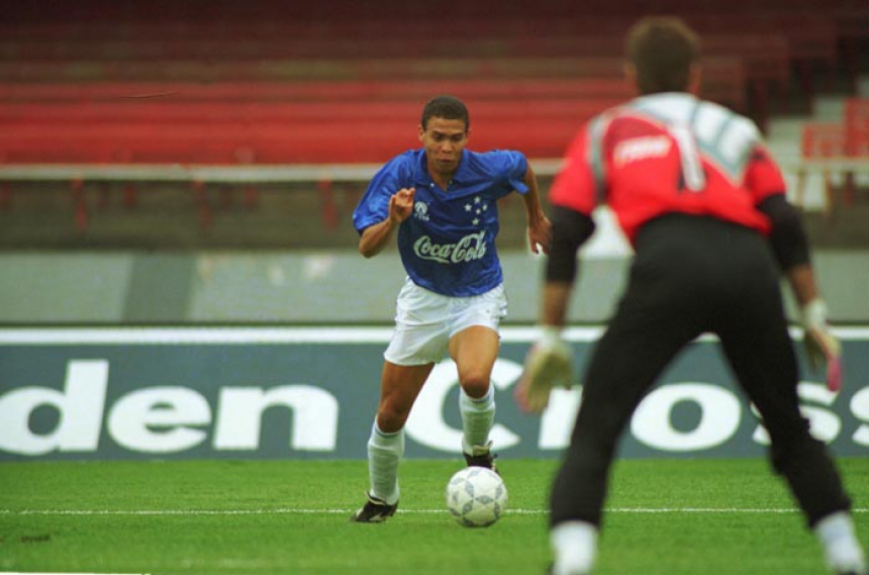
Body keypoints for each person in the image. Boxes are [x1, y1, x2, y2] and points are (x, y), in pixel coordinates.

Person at [515, 17, 866, 575]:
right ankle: (846, 553)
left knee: (597, 424)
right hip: (749, 268)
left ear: (632, 76)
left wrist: (550, 336)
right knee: (788, 424)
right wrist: (814, 313)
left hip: (668, 265)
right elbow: (783, 220)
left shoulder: (608, 130)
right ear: (695, 76)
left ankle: (573, 561)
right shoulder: (736, 128)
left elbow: (570, 229)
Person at [350, 95, 551, 523]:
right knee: (390, 413)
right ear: (421, 134)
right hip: (423, 300)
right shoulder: (400, 174)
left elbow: (522, 168)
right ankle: (382, 498)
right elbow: (367, 247)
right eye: (437, 137)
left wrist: (535, 217)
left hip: (478, 295)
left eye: (455, 138)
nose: (446, 147)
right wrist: (393, 220)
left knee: (475, 379)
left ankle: (477, 453)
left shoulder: (488, 169)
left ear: (467, 137)